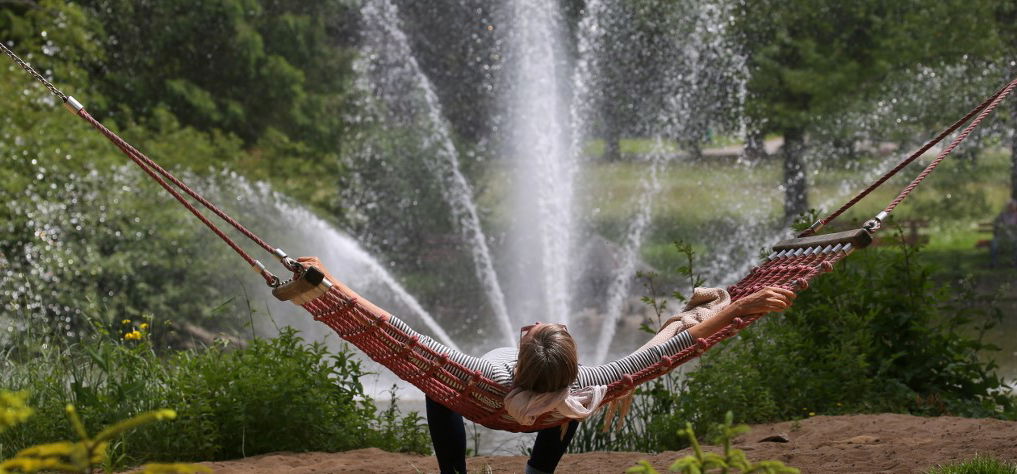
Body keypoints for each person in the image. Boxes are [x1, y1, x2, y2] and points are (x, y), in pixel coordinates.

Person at [296, 257, 794, 474]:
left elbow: (396, 333)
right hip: (556, 407)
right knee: (569, 409)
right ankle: (540, 470)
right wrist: (732, 308)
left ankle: (454, 472)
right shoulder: (586, 382)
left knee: (436, 384)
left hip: (483, 399)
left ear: (522, 350)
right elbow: (665, 349)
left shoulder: (483, 374)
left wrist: (330, 285)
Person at [991, 199, 1017, 268]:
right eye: (1009, 206)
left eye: (1013, 206)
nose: (1011, 208)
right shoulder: (1002, 214)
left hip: (1013, 236)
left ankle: (1014, 262)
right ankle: (994, 263)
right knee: (994, 244)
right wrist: (999, 226)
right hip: (1002, 236)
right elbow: (995, 222)